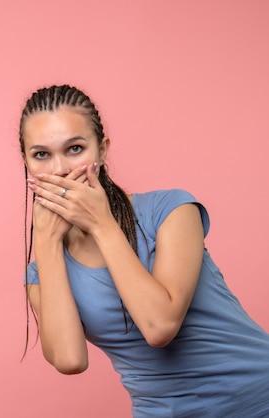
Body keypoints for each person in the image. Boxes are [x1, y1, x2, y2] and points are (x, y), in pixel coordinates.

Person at [20, 84, 269, 417]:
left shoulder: (170, 211)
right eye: (41, 155)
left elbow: (160, 326)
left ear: (102, 150)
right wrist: (47, 243)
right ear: (26, 163)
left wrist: (101, 224)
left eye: (75, 148)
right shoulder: (41, 273)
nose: (60, 169)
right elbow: (69, 360)